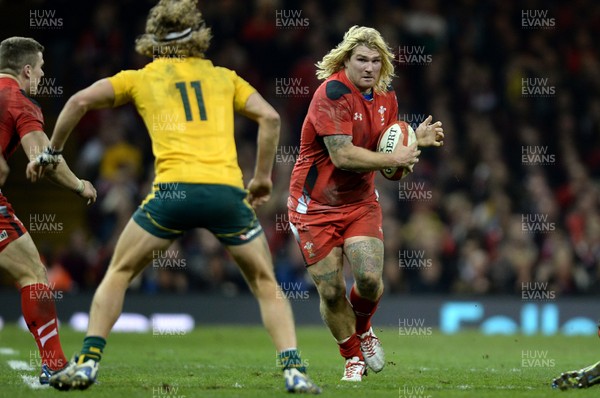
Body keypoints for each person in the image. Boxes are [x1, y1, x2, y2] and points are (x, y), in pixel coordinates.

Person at [27, 0, 320, 393]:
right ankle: (294, 371)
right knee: (266, 282)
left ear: (155, 40)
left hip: (173, 194)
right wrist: (262, 179)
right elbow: (270, 117)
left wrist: (54, 151)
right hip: (226, 195)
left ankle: (87, 363)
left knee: (119, 273)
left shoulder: (141, 77)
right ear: (198, 36)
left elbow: (78, 101)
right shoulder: (223, 77)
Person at [287, 25, 444, 381]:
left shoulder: (388, 100)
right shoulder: (331, 93)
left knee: (371, 280)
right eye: (361, 59)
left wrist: (414, 141)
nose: (369, 67)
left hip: (359, 203)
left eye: (376, 60)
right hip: (313, 207)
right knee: (330, 290)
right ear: (346, 60)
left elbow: (384, 151)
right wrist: (400, 158)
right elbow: (343, 156)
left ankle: (364, 329)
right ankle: (352, 357)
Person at [0, 36, 97, 384]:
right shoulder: (18, 101)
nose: (42, 75)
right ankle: (54, 364)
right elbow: (46, 161)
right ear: (26, 69)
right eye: (41, 68)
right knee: (33, 274)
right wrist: (79, 185)